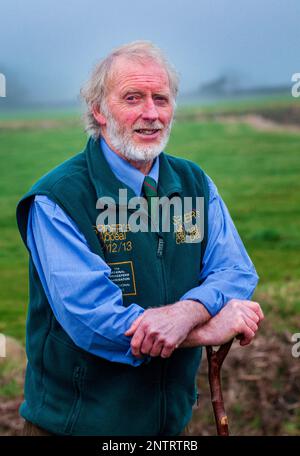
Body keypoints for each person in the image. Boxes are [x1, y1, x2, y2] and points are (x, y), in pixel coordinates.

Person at [16, 40, 263, 436]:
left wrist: (187, 311)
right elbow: (94, 322)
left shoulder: (194, 183)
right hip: (75, 427)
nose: (151, 114)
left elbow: (235, 269)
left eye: (161, 99)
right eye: (133, 98)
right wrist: (205, 329)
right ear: (98, 110)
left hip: (169, 426)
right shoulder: (58, 199)